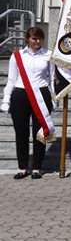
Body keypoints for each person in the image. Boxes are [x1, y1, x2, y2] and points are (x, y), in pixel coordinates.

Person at [1, 27, 53, 179]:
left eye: (40, 38)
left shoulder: (48, 55)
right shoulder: (17, 56)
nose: (37, 41)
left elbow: (51, 79)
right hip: (20, 95)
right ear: (27, 39)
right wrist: (6, 99)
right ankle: (23, 167)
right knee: (21, 133)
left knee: (40, 133)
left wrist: (53, 96)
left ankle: (37, 167)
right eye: (34, 39)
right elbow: (11, 79)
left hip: (41, 94)